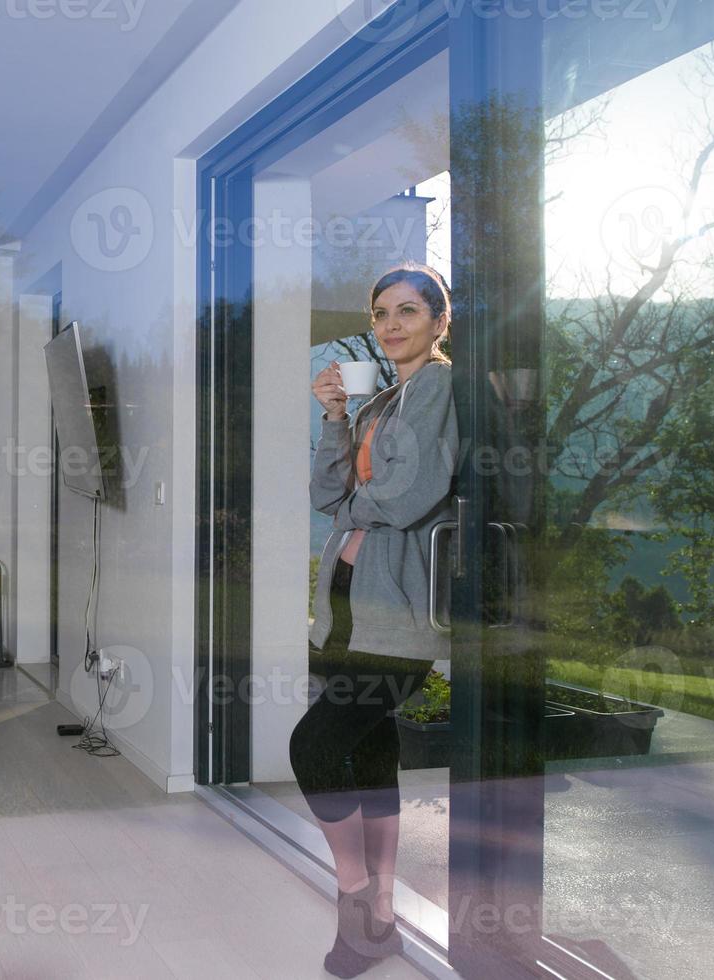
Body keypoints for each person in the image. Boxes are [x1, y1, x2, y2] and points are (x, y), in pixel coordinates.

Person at [291, 263, 459, 977]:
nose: (392, 326)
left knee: (314, 747)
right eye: (382, 313)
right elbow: (327, 490)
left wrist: (357, 501)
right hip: (345, 605)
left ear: (439, 322)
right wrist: (334, 417)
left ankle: (354, 898)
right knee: (367, 755)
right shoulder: (383, 399)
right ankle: (380, 922)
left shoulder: (442, 389)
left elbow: (404, 496)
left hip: (394, 612)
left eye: (409, 312)